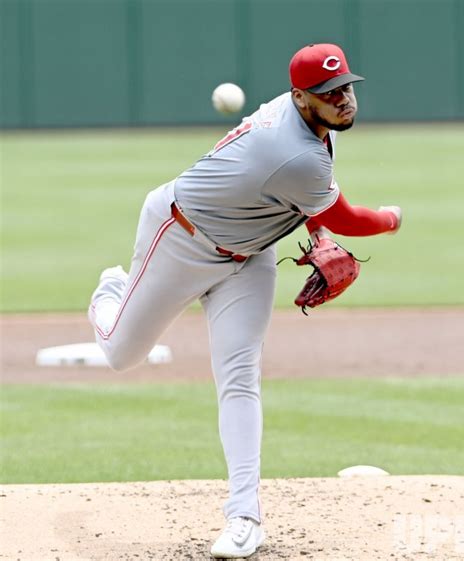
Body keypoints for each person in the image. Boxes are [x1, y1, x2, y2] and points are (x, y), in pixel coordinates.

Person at [88, 43, 402, 559]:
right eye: (328, 93)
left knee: (239, 375)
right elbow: (346, 215)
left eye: (345, 86)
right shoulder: (293, 150)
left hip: (249, 256)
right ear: (301, 98)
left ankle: (244, 518)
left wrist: (316, 232)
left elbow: (305, 199)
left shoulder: (308, 129)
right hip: (179, 239)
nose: (343, 99)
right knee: (122, 355)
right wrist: (392, 219)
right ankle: (111, 292)